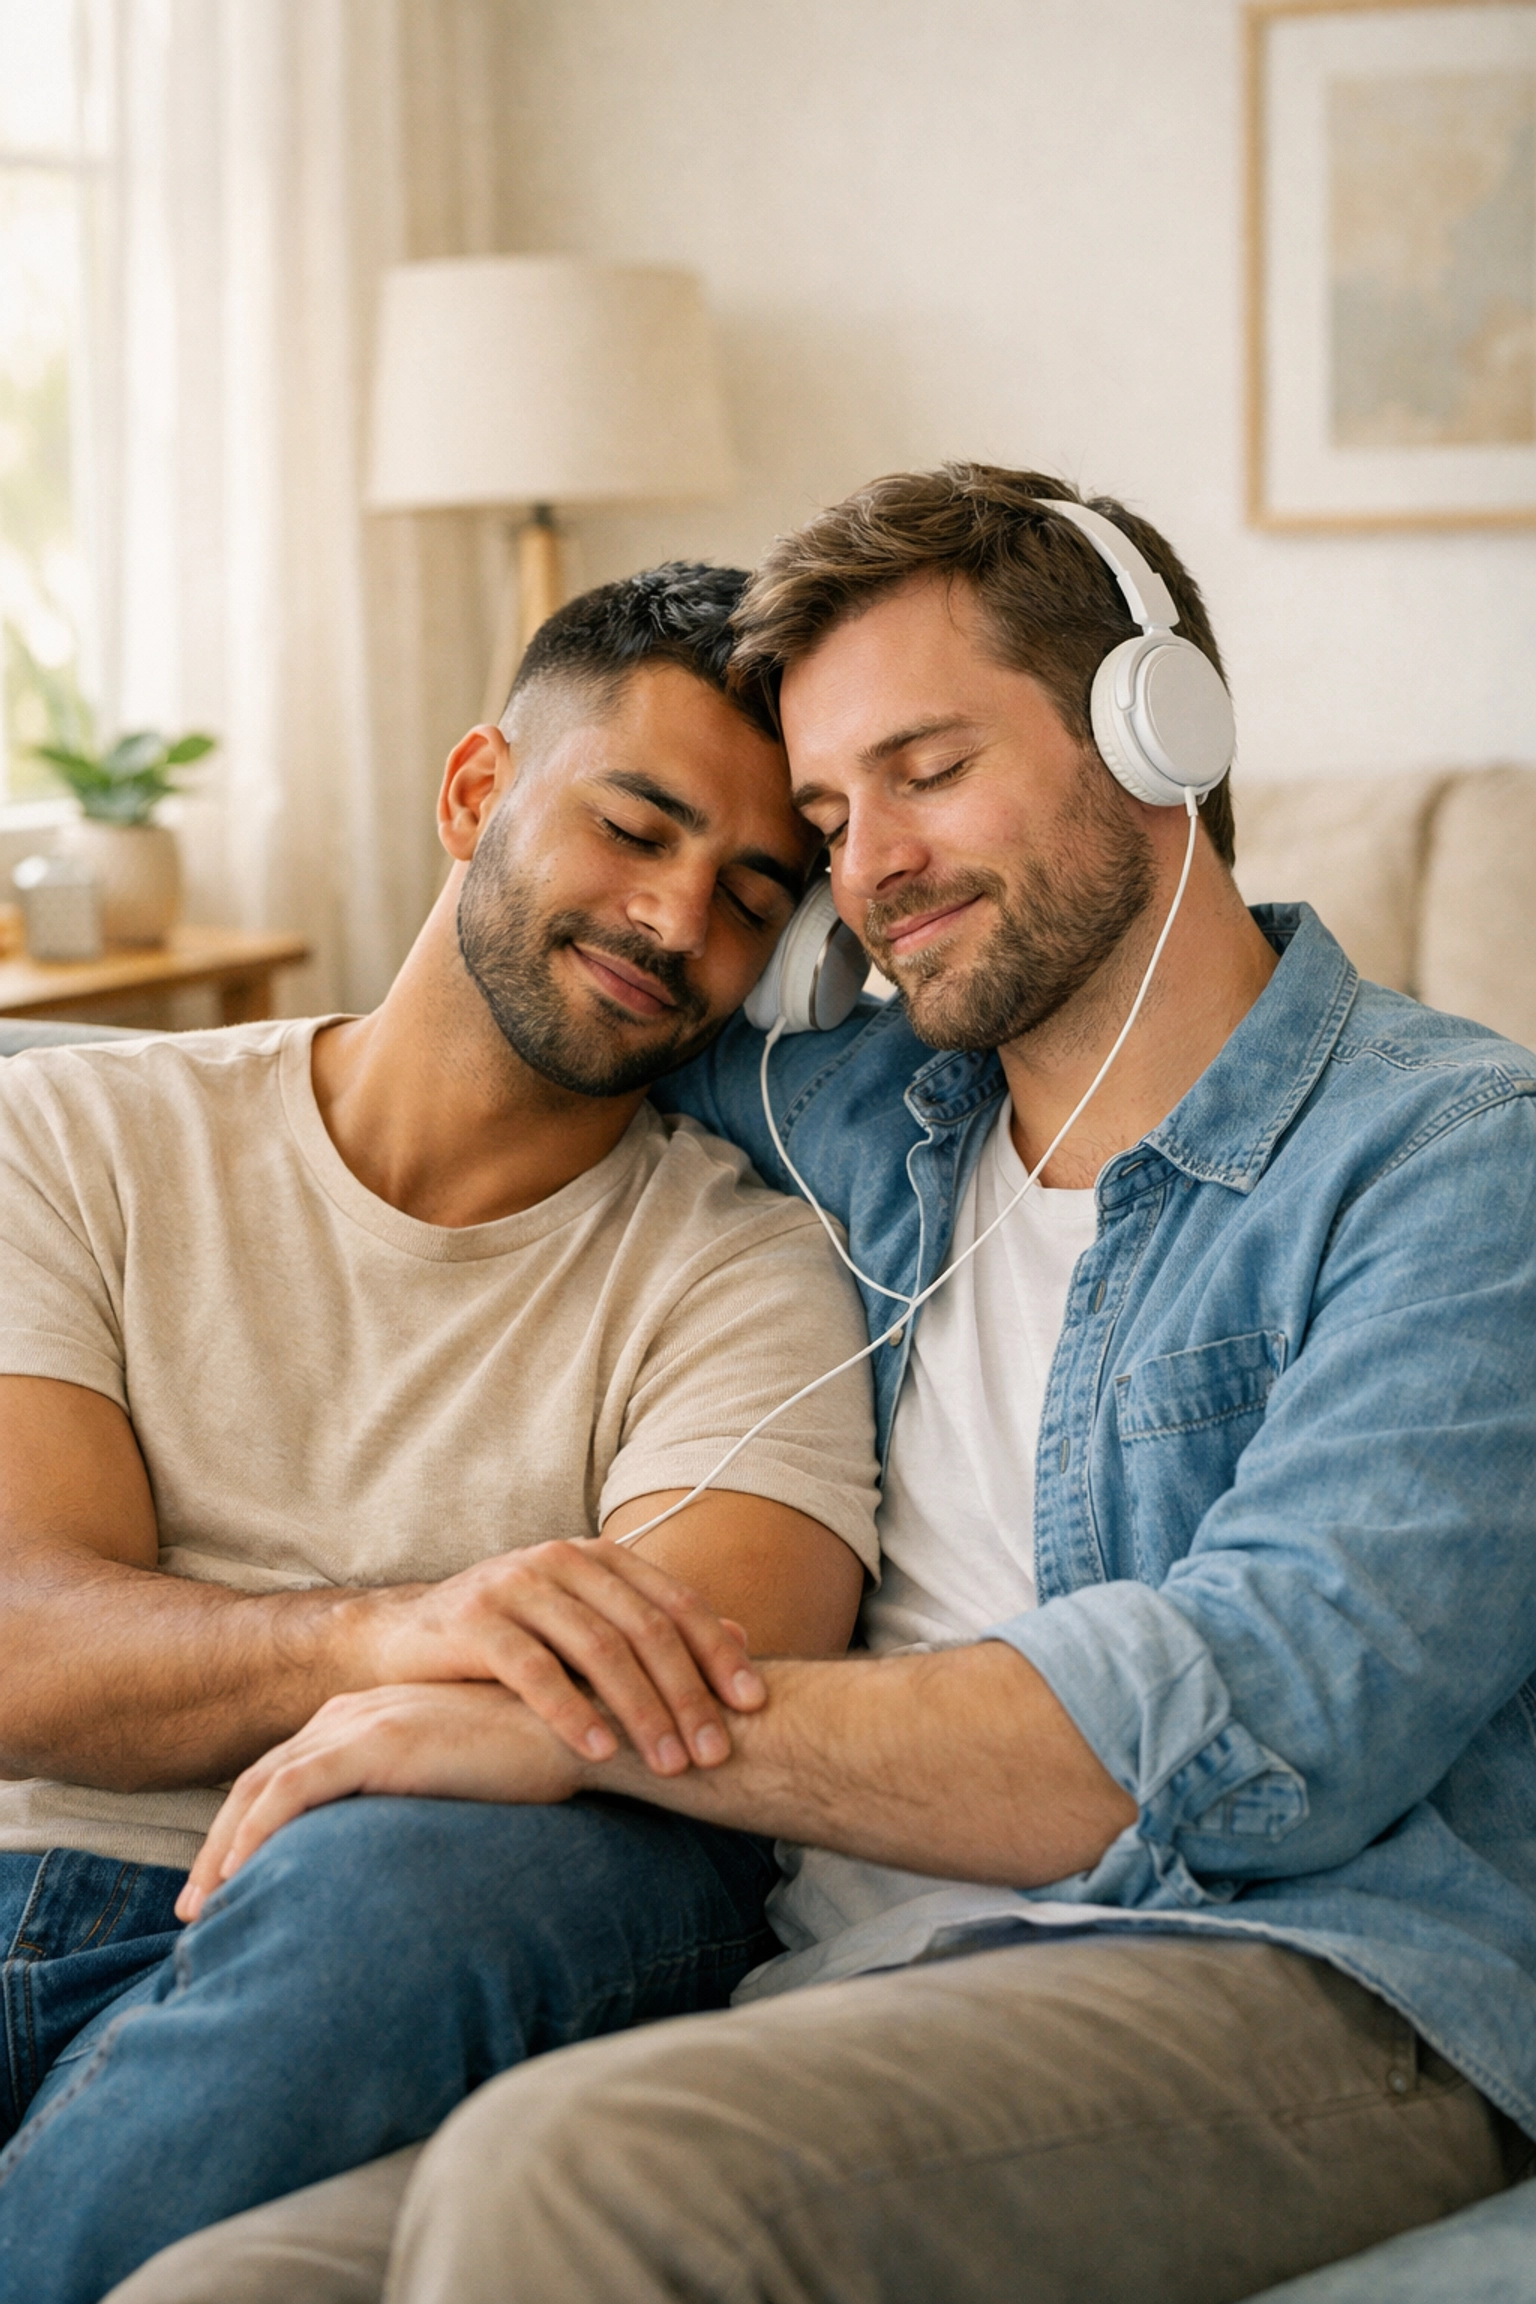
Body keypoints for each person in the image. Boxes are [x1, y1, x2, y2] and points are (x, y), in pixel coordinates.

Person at [111, 467, 1536, 2304]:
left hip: (1300, 1977)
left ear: (1157, 728)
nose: (870, 872)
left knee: (583, 2180)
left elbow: (1266, 1707)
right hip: (839, 1991)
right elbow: (517, 1028)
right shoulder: (845, 1116)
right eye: (830, 815)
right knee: (219, 2285)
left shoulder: (1450, 1162)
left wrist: (588, 1719)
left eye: (928, 773)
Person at [0, 564, 883, 2304]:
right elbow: (22, 1641)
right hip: (35, 1886)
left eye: (748, 895)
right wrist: (393, 1630)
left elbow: (694, 1685)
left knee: (416, 1884)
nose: (673, 921)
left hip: (415, 1917)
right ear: (478, 790)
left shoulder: (751, 1268)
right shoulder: (74, 1129)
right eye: (634, 828)